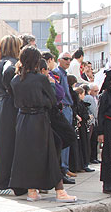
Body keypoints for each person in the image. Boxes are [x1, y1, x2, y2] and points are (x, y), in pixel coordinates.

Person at [9, 47, 77, 203]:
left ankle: (32, 191)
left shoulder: (15, 80)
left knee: (27, 156)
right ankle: (60, 191)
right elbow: (52, 101)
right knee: (50, 154)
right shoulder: (40, 79)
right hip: (39, 119)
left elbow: (15, 101)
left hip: (22, 120)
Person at [0, 34, 22, 196]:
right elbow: (11, 80)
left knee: (2, 145)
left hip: (1, 106)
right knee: (12, 145)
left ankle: (1, 183)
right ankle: (6, 184)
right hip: (11, 106)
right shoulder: (12, 64)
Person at [52, 51, 76, 184]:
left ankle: (65, 168)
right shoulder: (57, 73)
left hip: (68, 108)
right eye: (66, 58)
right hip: (63, 107)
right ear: (59, 60)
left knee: (67, 139)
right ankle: (62, 169)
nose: (68, 61)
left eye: (70, 59)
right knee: (64, 138)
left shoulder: (64, 74)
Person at [96, 66, 111, 194]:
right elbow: (100, 114)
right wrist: (100, 132)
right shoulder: (105, 95)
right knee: (108, 154)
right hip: (109, 127)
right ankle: (108, 183)